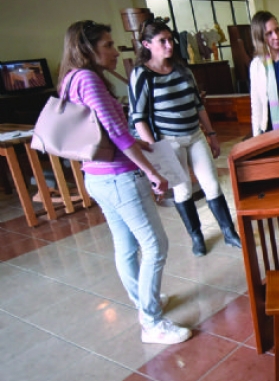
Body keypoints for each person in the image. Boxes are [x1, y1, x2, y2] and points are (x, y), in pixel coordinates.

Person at [60, 20, 191, 344]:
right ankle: (151, 321)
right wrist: (152, 172)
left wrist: (140, 145)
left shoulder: (70, 79)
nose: (116, 51)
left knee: (127, 246)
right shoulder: (89, 79)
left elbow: (102, 132)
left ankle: (145, 304)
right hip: (119, 179)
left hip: (97, 177)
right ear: (87, 48)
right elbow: (118, 135)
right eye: (107, 45)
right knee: (155, 245)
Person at [129, 20, 242, 257]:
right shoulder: (142, 75)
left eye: (170, 39)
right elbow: (138, 117)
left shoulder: (182, 69)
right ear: (147, 44)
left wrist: (211, 134)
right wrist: (157, 151)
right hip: (169, 141)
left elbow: (199, 105)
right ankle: (197, 236)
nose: (169, 45)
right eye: (163, 41)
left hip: (195, 135)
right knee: (182, 191)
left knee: (211, 184)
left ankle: (229, 231)